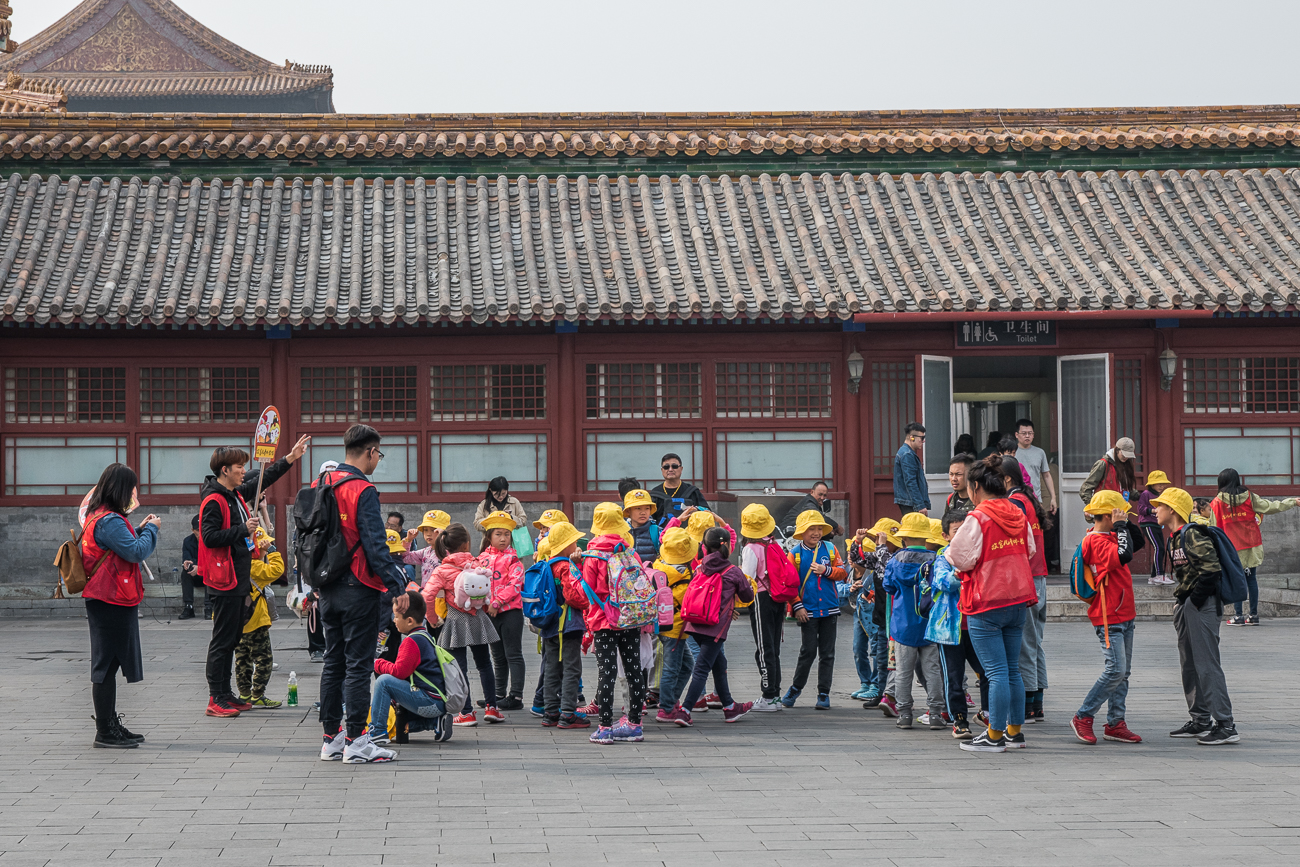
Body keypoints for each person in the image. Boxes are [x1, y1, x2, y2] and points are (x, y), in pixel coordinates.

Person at [313, 425, 411, 761]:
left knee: (333, 663)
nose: (377, 461)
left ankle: (332, 739)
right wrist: (396, 584)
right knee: (358, 665)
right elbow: (375, 542)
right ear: (370, 451)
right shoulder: (362, 488)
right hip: (359, 586)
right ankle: (357, 740)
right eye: (378, 454)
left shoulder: (320, 483)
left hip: (327, 585)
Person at [199, 435, 308, 719]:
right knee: (222, 641)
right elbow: (209, 538)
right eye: (238, 467)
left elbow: (265, 478)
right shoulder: (214, 500)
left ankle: (225, 694)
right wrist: (242, 530)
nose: (242, 471)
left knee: (233, 638)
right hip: (225, 581)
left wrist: (291, 458)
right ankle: (215, 697)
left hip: (239, 580)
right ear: (225, 470)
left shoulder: (234, 495)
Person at [944, 455, 1038, 753]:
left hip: (986, 600)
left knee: (995, 671)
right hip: (1018, 597)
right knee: (1012, 670)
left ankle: (994, 735)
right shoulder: (1018, 513)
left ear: (975, 487)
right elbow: (1031, 550)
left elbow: (958, 557)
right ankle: (1015, 731)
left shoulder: (978, 517)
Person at [81, 463, 160, 749]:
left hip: (107, 597)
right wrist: (150, 530)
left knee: (110, 664)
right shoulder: (110, 520)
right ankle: (105, 730)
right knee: (105, 666)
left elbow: (122, 545)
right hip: (110, 597)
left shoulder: (98, 516)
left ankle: (111, 723)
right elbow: (136, 551)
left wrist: (138, 528)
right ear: (120, 489)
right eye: (130, 489)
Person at [1154, 486, 1240, 745]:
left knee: (1207, 664)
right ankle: (1200, 719)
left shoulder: (1191, 535)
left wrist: (1193, 601)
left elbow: (1211, 571)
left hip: (1202, 605)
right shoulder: (1175, 537)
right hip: (1188, 603)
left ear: (1172, 509)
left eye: (1160, 506)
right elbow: (1187, 575)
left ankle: (1225, 724)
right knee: (1189, 665)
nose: (1154, 510)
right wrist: (1181, 601)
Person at [1070, 490, 1145, 746]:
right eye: (1117, 512)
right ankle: (1083, 716)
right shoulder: (1096, 542)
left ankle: (1115, 723)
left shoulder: (1112, 534)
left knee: (1123, 673)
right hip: (1109, 615)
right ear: (1106, 516)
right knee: (1115, 670)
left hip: (1124, 613)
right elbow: (1124, 555)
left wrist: (1125, 521)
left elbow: (1137, 543)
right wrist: (1121, 524)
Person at [420, 523, 503, 727]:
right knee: (485, 663)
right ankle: (492, 707)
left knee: (459, 668)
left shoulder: (442, 570)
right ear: (467, 543)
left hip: (456, 620)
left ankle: (466, 713)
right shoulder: (477, 564)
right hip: (479, 619)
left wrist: (432, 619)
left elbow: (427, 596)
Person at [582, 502, 647, 744]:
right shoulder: (630, 552)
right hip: (629, 618)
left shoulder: (593, 556)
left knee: (607, 672)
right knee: (634, 670)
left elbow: (587, 592)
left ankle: (605, 727)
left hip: (604, 621)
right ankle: (634, 724)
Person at [677, 527, 756, 725]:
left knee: (720, 664)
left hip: (694, 624)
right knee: (702, 669)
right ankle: (685, 710)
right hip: (715, 627)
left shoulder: (699, 568)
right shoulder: (733, 571)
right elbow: (748, 596)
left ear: (704, 547)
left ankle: (729, 707)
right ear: (728, 546)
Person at [362, 590, 452, 759]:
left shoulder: (411, 641)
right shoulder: (423, 635)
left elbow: (400, 672)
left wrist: (376, 663)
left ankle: (377, 731)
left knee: (384, 682)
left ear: (409, 620)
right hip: (436, 702)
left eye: (396, 616)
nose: (393, 620)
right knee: (398, 714)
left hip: (428, 700)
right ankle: (435, 723)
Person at [881, 512, 945, 730]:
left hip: (902, 624)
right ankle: (936, 714)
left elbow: (888, 587)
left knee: (903, 672)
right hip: (930, 624)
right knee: (933, 670)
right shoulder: (936, 560)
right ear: (926, 538)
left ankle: (904, 714)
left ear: (904, 538)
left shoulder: (895, 560)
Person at [1212, 468, 1298, 626]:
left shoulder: (1216, 503)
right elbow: (1271, 507)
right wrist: (1292, 501)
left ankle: (1238, 616)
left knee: (1237, 581)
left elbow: (1212, 527)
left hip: (1232, 549)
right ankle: (1253, 615)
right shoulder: (1249, 497)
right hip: (1252, 545)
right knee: (1251, 580)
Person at [927, 512, 985, 740]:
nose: (961, 535)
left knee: (987, 672)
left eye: (965, 530)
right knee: (954, 676)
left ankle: (987, 712)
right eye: (956, 531)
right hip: (950, 629)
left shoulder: (979, 554)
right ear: (945, 535)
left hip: (978, 625)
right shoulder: (943, 557)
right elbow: (943, 581)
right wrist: (964, 574)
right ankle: (959, 719)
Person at [781, 510, 847, 709]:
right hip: (807, 611)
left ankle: (824, 693)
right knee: (807, 652)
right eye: (811, 529)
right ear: (802, 532)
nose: (816, 532)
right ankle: (795, 688)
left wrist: (827, 571)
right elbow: (789, 583)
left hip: (829, 609)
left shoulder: (830, 548)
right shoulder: (795, 554)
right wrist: (797, 606)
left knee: (827, 653)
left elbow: (843, 573)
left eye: (819, 528)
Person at [1002, 456, 1050, 723]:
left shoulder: (1014, 504)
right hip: (1038, 576)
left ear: (1007, 479)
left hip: (1027, 578)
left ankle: (1029, 705)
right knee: (1035, 644)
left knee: (1025, 645)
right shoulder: (1028, 499)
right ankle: (1037, 702)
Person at [535, 521, 589, 729]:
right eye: (574, 541)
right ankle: (568, 712)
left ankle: (550, 712)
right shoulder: (566, 567)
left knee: (551, 668)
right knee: (571, 668)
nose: (576, 544)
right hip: (568, 625)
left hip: (548, 624)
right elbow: (574, 596)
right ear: (567, 545)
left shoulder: (547, 565)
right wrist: (586, 603)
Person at [738, 504, 785, 712]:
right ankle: (775, 694)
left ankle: (768, 695)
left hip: (761, 599)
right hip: (778, 598)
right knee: (773, 647)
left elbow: (747, 579)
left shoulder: (750, 549)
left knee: (764, 648)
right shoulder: (775, 544)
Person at [849, 518, 898, 709]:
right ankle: (880, 691)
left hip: (894, 615)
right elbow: (859, 559)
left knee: (894, 658)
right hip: (880, 615)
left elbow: (887, 567)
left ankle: (893, 694)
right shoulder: (880, 555)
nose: (878, 542)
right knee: (880, 656)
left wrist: (882, 546)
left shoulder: (897, 556)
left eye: (880, 538)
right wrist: (858, 542)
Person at [479, 510, 526, 710]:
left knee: (513, 653)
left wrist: (497, 603)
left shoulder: (514, 560)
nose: (503, 538)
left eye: (506, 534)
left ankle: (515, 696)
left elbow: (515, 585)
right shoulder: (480, 558)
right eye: (498, 534)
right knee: (497, 654)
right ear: (489, 536)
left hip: (510, 612)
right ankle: (498, 693)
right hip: (489, 612)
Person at [235, 526, 285, 708]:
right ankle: (257, 694)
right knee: (264, 660)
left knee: (242, 660)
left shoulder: (237, 562)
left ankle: (244, 695)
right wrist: (272, 551)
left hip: (237, 622)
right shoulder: (254, 567)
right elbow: (277, 570)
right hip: (255, 621)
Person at [654, 527, 699, 725]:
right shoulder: (685, 576)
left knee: (687, 665)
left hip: (662, 625)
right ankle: (666, 708)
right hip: (676, 629)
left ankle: (670, 700)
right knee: (672, 668)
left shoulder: (658, 567)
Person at [1134, 470, 1174, 585]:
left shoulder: (1161, 496)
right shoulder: (1145, 494)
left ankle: (1153, 576)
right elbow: (1140, 510)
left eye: (1163, 483)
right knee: (1158, 547)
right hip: (1147, 523)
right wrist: (1154, 510)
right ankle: (1159, 574)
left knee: (1161, 547)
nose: (1161, 486)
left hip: (1156, 524)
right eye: (1158, 483)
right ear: (1152, 484)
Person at [650, 453, 710, 526]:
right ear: (662, 470)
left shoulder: (692, 491)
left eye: (674, 466)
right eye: (666, 467)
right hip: (663, 535)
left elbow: (708, 512)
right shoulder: (655, 494)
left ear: (681, 469)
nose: (670, 469)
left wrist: (696, 510)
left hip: (690, 535)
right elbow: (650, 519)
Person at [1013, 419, 1057, 515]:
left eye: (1030, 433)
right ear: (1017, 435)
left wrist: (1053, 498)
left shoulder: (1040, 452)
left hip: (1036, 499)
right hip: (1015, 499)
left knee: (1036, 527)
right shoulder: (1012, 452)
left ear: (1033, 434)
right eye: (1024, 433)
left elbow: (1046, 475)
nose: (1027, 436)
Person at [1079, 437, 1138, 504]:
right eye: (1124, 454)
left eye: (1128, 455)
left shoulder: (1125, 465)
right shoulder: (1103, 464)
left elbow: (1124, 489)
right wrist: (1091, 505)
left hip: (1120, 508)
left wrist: (1142, 496)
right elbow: (1086, 488)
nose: (1126, 457)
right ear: (1117, 450)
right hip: (1103, 508)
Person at [473, 476, 529, 541]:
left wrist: (510, 517)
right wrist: (492, 519)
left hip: (511, 544)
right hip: (490, 544)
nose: (501, 497)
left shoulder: (514, 502)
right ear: (491, 490)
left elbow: (523, 520)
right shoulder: (484, 504)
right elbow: (477, 524)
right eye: (496, 494)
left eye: (503, 493)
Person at [893, 423, 929, 517]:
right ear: (912, 437)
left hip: (909, 501)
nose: (923, 441)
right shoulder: (907, 454)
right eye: (922, 438)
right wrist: (920, 505)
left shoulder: (906, 452)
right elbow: (910, 481)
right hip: (911, 503)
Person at [623, 488, 661, 562]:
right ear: (628, 511)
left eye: (646, 508)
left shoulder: (657, 532)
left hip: (650, 572)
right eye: (638, 508)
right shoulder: (622, 533)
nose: (643, 512)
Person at [179, 514, 202, 620]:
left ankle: (209, 607)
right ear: (193, 530)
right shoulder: (188, 541)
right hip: (194, 574)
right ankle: (188, 606)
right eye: (198, 530)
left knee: (210, 571)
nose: (200, 532)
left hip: (207, 574)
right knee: (185, 573)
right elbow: (187, 558)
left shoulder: (210, 540)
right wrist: (188, 564)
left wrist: (200, 567)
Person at [942, 454, 974, 525]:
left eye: (958, 474)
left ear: (970, 475)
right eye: (951, 474)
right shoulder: (950, 499)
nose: (954, 479)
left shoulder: (977, 501)